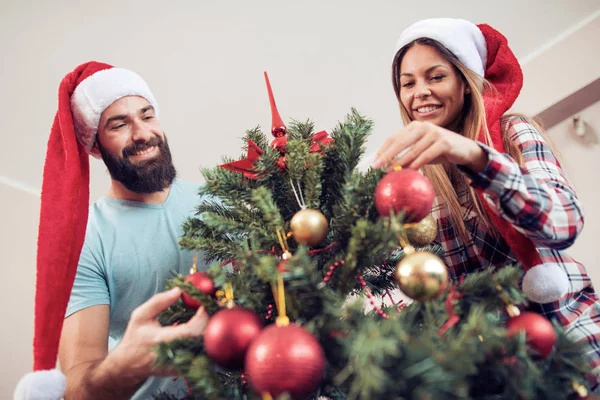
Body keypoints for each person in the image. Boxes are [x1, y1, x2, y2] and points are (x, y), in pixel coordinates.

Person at [373, 18, 600, 385]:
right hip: (498, 373)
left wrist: (477, 158)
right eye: (408, 83)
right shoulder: (412, 181)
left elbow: (564, 223)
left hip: (574, 342)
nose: (420, 93)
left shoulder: (512, 133)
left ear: (464, 82)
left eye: (435, 77)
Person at [15, 62, 209, 400]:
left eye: (147, 116)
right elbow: (76, 384)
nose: (142, 134)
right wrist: (126, 364)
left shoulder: (221, 200)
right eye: (119, 125)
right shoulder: (85, 239)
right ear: (96, 146)